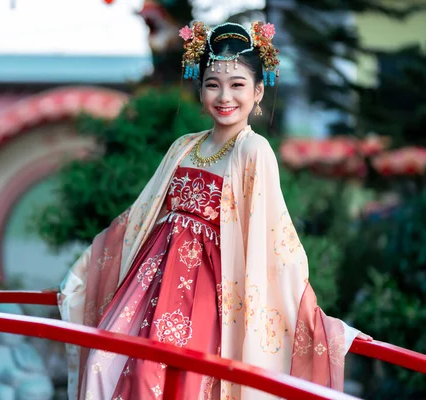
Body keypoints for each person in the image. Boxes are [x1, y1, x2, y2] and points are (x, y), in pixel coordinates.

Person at [57, 20, 372, 400]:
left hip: (209, 291)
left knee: (173, 382)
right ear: (200, 88)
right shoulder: (184, 146)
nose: (225, 96)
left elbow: (276, 240)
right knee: (105, 363)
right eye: (212, 84)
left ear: (258, 92)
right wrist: (86, 267)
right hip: (150, 285)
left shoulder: (253, 151)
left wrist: (309, 316)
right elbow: (137, 218)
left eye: (238, 85)